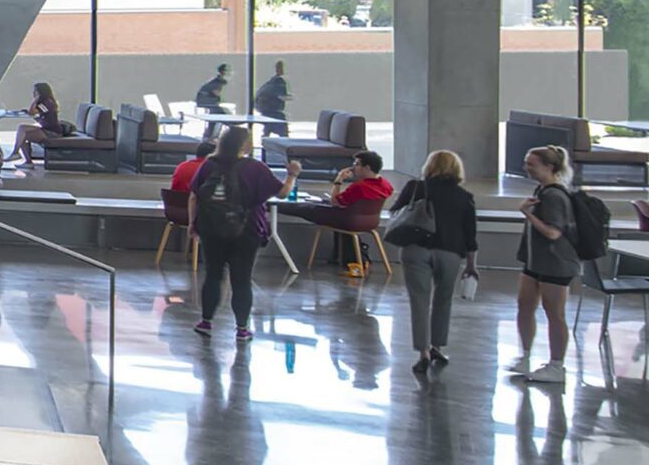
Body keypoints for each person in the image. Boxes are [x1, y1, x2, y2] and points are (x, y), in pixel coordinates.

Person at [189, 124, 299, 340]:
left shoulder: (209, 165)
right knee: (241, 279)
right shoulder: (255, 168)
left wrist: (194, 225)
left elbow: (194, 196)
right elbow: (283, 194)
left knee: (212, 275)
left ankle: (206, 322)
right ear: (246, 145)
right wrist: (292, 175)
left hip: (211, 229)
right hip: (247, 230)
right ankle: (241, 328)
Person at [387, 147, 480, 374]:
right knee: (443, 300)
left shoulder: (415, 188)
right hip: (450, 252)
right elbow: (471, 235)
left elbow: (395, 213)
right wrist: (471, 264)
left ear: (429, 167)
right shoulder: (464, 197)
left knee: (418, 301)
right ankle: (437, 346)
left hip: (415, 249)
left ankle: (423, 352)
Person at [511, 143, 581, 386]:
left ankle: (556, 365)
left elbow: (553, 232)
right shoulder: (541, 190)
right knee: (525, 304)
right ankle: (526, 354)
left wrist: (527, 214)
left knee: (554, 313)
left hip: (556, 263)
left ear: (549, 167)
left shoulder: (554, 195)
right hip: (535, 261)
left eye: (532, 164)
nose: (526, 167)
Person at [279, 148, 393, 276]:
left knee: (307, 208)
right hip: (370, 221)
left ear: (367, 167)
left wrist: (338, 180)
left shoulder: (359, 187)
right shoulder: (386, 185)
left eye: (357, 164)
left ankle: (274, 206)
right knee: (319, 203)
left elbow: (334, 201)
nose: (353, 167)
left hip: (348, 220)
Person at [10, 81, 72, 169]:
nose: (33, 93)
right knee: (22, 135)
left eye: (35, 91)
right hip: (46, 129)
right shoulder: (46, 103)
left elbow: (32, 112)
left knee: (22, 128)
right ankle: (27, 161)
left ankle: (15, 153)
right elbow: (42, 118)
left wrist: (35, 100)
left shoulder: (47, 103)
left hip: (52, 132)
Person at [252, 60, 289, 136]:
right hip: (272, 111)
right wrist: (289, 97)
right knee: (283, 132)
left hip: (265, 110)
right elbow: (281, 96)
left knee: (268, 129)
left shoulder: (271, 82)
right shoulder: (279, 82)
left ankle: (265, 141)